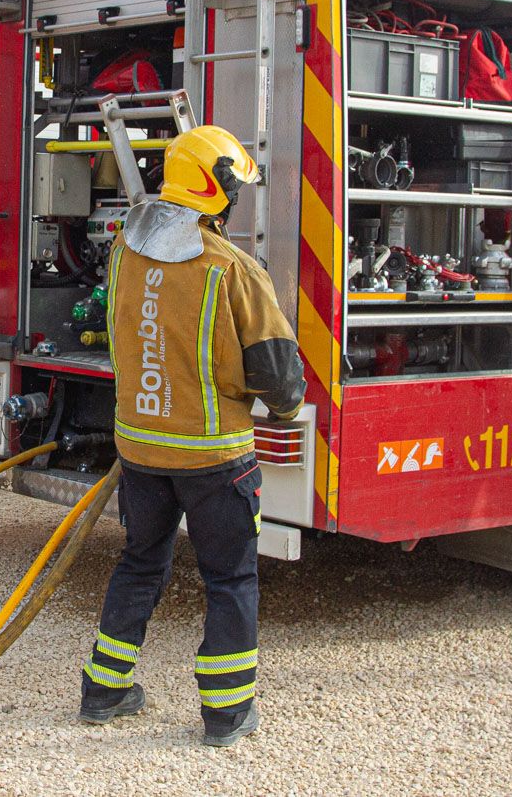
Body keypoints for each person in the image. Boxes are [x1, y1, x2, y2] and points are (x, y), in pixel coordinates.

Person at [75, 125, 306, 747]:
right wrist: (284, 407)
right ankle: (227, 714)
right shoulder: (232, 269)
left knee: (139, 564)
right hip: (214, 462)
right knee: (229, 579)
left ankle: (104, 690)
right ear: (219, 192)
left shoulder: (125, 250)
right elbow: (281, 381)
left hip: (141, 453)